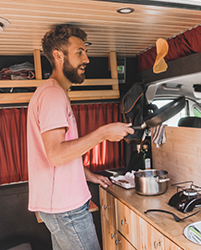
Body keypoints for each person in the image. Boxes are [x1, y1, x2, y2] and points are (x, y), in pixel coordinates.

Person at [27, 24, 134, 250]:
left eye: (86, 52)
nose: (86, 59)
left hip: (60, 206)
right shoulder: (53, 94)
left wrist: (86, 174)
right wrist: (104, 132)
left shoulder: (54, 92)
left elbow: (59, 153)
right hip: (65, 209)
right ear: (58, 55)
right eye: (79, 52)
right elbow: (55, 154)